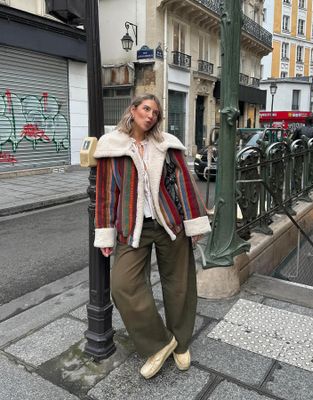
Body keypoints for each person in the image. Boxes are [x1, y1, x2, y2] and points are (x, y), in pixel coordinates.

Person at [93, 93, 211, 379]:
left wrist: (193, 224)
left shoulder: (165, 144)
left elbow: (183, 183)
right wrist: (106, 235)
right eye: (146, 109)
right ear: (133, 110)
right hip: (132, 228)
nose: (151, 116)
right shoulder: (112, 146)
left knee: (179, 284)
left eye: (156, 113)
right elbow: (106, 193)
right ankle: (160, 342)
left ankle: (181, 343)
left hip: (171, 224)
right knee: (122, 286)